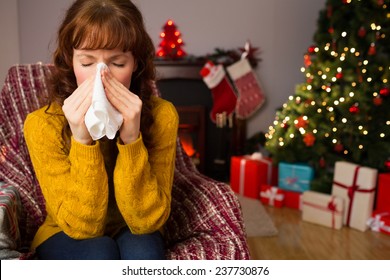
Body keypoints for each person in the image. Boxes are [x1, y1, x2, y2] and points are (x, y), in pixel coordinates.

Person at [23, 0, 178, 260]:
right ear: (69, 62)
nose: (101, 77)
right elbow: (83, 227)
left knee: (144, 256)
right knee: (100, 254)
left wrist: (131, 139)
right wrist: (82, 140)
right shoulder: (42, 124)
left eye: (117, 63)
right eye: (86, 63)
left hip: (133, 225)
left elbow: (147, 221)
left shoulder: (163, 116)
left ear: (136, 64)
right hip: (66, 229)